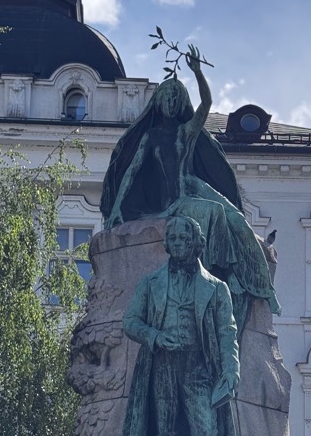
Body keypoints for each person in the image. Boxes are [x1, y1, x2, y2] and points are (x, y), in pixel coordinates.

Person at [101, 46, 281, 333]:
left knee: (237, 219)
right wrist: (117, 209)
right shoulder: (150, 137)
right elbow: (131, 172)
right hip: (175, 200)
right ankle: (228, 272)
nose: (171, 102)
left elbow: (206, 104)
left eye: (176, 97)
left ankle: (262, 287)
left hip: (193, 186)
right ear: (158, 101)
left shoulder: (185, 132)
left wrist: (197, 72)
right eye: (167, 96)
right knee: (215, 211)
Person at [121, 215, 240, 436]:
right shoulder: (151, 283)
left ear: (197, 243)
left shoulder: (216, 288)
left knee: (207, 432)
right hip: (162, 365)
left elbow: (227, 332)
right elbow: (130, 322)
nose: (178, 244)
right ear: (166, 243)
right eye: (173, 239)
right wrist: (156, 336)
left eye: (184, 239)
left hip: (199, 367)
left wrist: (231, 371)